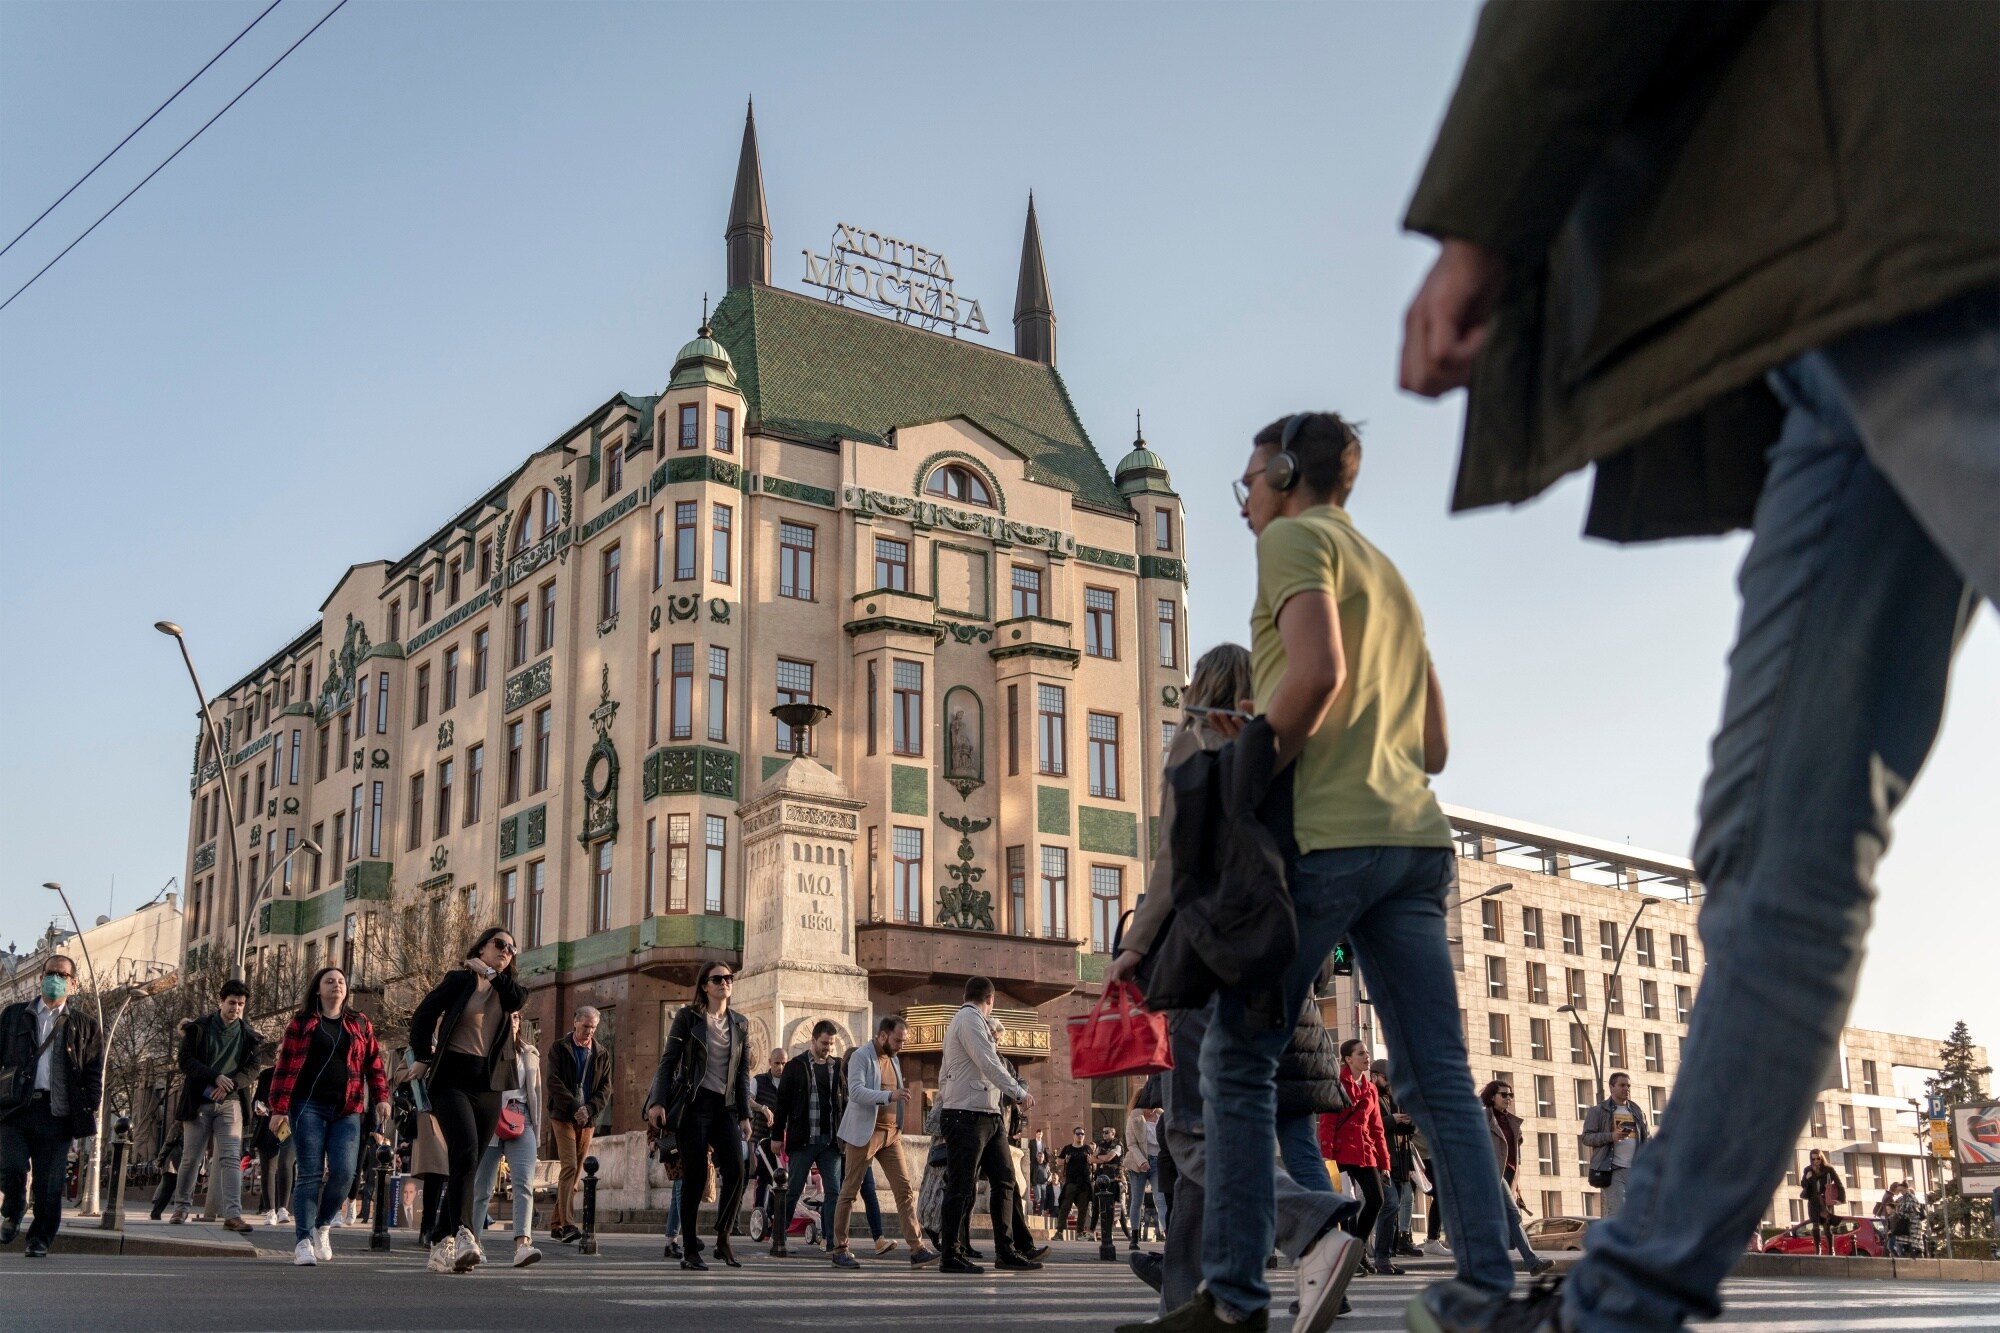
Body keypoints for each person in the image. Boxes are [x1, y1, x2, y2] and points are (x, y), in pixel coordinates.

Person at [1398, 4, 1998, 1329]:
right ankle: (1627, 1298)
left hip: (1919, 181)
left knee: (1788, 826)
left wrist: (1481, 221)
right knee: (1779, 828)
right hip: (1841, 275)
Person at [1140, 414, 1511, 1333]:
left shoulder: (1295, 541)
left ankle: (1233, 1299)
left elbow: (1321, 671)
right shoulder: (1389, 574)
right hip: (1417, 844)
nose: (1245, 507)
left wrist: (1250, 761)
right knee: (1438, 1079)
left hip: (1329, 840)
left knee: (1234, 1057)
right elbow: (1435, 742)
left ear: (1284, 474)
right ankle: (1488, 1284)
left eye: (1248, 486)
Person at [407, 927, 526, 1275]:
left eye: (512, 949)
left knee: (468, 1162)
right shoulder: (458, 981)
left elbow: (518, 1001)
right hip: (451, 1079)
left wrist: (491, 973)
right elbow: (424, 1014)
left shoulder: (507, 990)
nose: (507, 951)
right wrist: (424, 1056)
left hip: (489, 1083)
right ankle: (464, 1233)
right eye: (500, 944)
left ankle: (440, 1242)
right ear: (482, 947)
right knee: (467, 1150)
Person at [267, 966, 390, 1268]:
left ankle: (322, 1225)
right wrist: (278, 1108)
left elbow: (374, 1064)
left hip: (347, 1109)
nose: (336, 985)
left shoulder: (360, 1023)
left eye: (341, 981)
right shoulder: (302, 1022)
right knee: (309, 1173)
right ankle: (303, 1241)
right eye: (329, 981)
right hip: (307, 1106)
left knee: (345, 1173)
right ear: (318, 989)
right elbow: (284, 1066)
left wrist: (382, 1098)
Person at [645, 960, 753, 1270]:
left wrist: (745, 1115)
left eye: (728, 978)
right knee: (695, 1176)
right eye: (717, 979)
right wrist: (657, 1102)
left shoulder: (741, 1024)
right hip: (693, 1106)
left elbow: (742, 1073)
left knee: (737, 1169)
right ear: (704, 986)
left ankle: (723, 1238)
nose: (724, 983)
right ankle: (690, 1249)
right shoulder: (688, 1018)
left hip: (725, 1109)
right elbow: (668, 1062)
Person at [0, 953, 104, 1258]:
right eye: (49, 973)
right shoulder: (13, 1015)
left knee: (49, 1183)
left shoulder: (84, 1025)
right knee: (11, 1167)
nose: (53, 980)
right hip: (15, 1109)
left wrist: (87, 1107)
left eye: (61, 975)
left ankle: (40, 1239)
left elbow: (93, 1072)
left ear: (72, 983)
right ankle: (13, 1211)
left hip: (56, 1112)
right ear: (41, 976)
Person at [936, 975, 1036, 1274]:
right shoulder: (969, 1019)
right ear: (990, 1000)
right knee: (961, 1185)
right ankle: (950, 1254)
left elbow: (945, 1075)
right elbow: (988, 1063)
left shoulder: (971, 1022)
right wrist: (1018, 1093)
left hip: (987, 1115)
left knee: (1005, 1180)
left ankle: (1006, 1250)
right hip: (966, 1115)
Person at [828, 1015, 936, 1269]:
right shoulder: (861, 1056)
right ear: (883, 1035)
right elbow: (855, 1092)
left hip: (891, 1135)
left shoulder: (894, 1058)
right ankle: (839, 1248)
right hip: (865, 1134)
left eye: (903, 1041)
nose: (901, 1046)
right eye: (898, 1040)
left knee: (904, 1190)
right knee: (849, 1192)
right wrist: (890, 1095)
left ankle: (917, 1248)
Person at [168, 978, 266, 1232]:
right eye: (232, 1003)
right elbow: (185, 1061)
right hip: (199, 1102)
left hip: (231, 1104)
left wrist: (229, 1084)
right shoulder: (198, 1028)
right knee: (191, 1158)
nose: (236, 1008)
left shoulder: (250, 1036)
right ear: (220, 1002)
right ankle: (181, 1208)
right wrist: (214, 1076)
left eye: (241, 1004)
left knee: (231, 1158)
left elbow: (253, 1069)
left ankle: (233, 1215)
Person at [471, 1011, 543, 1267]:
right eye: (506, 1018)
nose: (511, 1022)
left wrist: (536, 1130)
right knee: (482, 1188)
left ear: (520, 1022)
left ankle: (523, 1245)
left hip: (520, 1117)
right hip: (490, 1118)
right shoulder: (484, 1050)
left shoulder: (529, 1053)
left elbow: (536, 1094)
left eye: (515, 1018)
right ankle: (473, 1241)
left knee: (524, 1184)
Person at [770, 1019, 846, 1256]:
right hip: (803, 1140)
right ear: (813, 1040)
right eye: (824, 1043)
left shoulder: (838, 1066)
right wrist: (776, 1136)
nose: (828, 1048)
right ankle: (779, 1238)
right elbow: (781, 1103)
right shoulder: (796, 1066)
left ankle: (833, 1242)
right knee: (793, 1190)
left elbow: (845, 1102)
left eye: (831, 1044)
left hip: (830, 1141)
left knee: (834, 1191)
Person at [544, 1004, 611, 1244]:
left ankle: (555, 1223)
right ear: (575, 1022)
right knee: (569, 1166)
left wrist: (589, 1109)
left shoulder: (601, 1053)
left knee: (576, 1171)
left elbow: (606, 1088)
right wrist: (576, 1107)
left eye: (593, 1028)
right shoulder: (559, 1048)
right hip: (563, 1115)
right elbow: (553, 1082)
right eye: (585, 1027)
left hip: (588, 1119)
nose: (589, 1032)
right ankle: (568, 1224)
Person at [1320, 1040, 1391, 1269]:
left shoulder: (1370, 1089)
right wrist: (1326, 1158)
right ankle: (1343, 1256)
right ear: (1348, 1059)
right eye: (1361, 1053)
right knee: (1344, 1205)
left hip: (1364, 1150)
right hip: (1338, 1153)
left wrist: (1385, 1162)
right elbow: (1327, 1124)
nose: (1367, 1056)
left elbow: (1377, 1128)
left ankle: (1357, 1250)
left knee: (1376, 1199)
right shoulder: (1336, 1084)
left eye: (1367, 1053)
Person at [1480, 1081, 1553, 1276]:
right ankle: (1532, 1261)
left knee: (1499, 1221)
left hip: (1509, 1174)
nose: (1508, 1098)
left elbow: (1512, 1156)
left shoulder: (1511, 1121)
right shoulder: (1482, 1117)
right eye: (1503, 1094)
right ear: (1492, 1096)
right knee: (1513, 1216)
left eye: (1510, 1095)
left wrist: (1516, 1185)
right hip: (1489, 1174)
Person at [1580, 1073, 1649, 1219]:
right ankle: (1612, 1241)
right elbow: (1586, 1138)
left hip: (1635, 1170)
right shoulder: (1598, 1111)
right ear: (1611, 1087)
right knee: (1617, 1212)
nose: (1626, 1089)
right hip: (1613, 1170)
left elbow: (1646, 1139)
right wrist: (1611, 1136)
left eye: (1628, 1086)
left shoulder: (1637, 1112)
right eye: (1622, 1085)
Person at [1372, 1059, 1419, 1273]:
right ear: (1375, 1076)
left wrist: (1409, 1121)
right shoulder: (1371, 1095)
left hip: (1399, 1161)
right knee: (1389, 1204)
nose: (1391, 1083)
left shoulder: (1394, 1098)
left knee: (1394, 1206)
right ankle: (1380, 1255)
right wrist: (1393, 1120)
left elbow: (1407, 1132)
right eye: (1387, 1078)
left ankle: (1386, 1255)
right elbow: (1369, 1126)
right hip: (1380, 1161)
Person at [251, 1066, 294, 1227]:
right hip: (269, 1123)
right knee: (268, 1167)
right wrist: (257, 1108)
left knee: (286, 1163)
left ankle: (283, 1208)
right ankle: (270, 1210)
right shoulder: (266, 1075)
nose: (279, 1055)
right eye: (278, 1052)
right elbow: (256, 1100)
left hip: (289, 1125)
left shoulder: (297, 1072)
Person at [1123, 1104, 1165, 1246]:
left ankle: (1168, 1235)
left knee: (1161, 1199)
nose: (1152, 1108)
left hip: (1158, 1161)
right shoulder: (1135, 1117)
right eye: (1149, 1104)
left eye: (1155, 1104)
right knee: (1137, 1200)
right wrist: (1142, 1161)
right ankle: (1134, 1236)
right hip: (1138, 1163)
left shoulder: (1162, 1116)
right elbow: (1131, 1144)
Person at [750, 1047, 785, 1215]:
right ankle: (759, 1213)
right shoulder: (759, 1080)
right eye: (777, 1063)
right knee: (764, 1176)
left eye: (784, 1063)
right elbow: (747, 1099)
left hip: (782, 1138)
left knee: (778, 1178)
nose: (780, 1067)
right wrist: (762, 1108)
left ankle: (772, 1215)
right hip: (762, 1138)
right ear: (770, 1062)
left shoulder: (788, 1082)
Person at [1800, 1149, 1846, 1258]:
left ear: (1821, 1158)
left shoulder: (1828, 1170)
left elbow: (1839, 1185)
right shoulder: (1808, 1169)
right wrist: (1807, 1178)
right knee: (1815, 1225)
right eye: (1813, 1159)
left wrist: (1840, 1199)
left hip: (1825, 1201)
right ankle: (1818, 1249)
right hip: (1813, 1201)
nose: (1816, 1161)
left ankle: (1831, 1250)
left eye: (1818, 1158)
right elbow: (1803, 1185)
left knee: (1827, 1226)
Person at [1054, 1126, 1094, 1238]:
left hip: (1084, 1182)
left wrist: (1090, 1160)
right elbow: (1058, 1161)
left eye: (1082, 1134)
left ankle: (1080, 1233)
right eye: (1078, 1133)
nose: (1080, 1135)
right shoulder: (1067, 1148)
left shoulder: (1087, 1148)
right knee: (1065, 1207)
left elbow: (1093, 1163)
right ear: (1073, 1135)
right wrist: (1065, 1160)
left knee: (1083, 1209)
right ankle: (1060, 1232)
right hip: (1071, 1181)